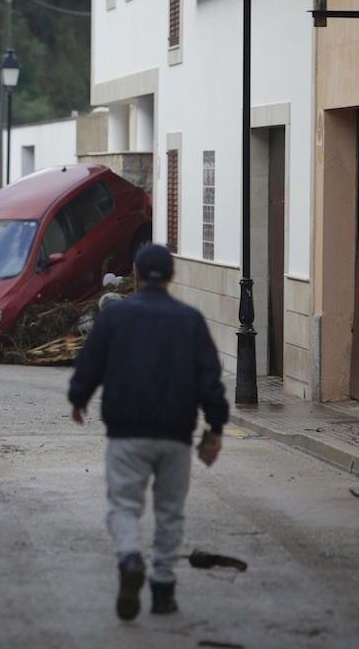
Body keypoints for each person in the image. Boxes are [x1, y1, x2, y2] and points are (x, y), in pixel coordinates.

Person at [68, 244, 228, 621]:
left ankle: (128, 557)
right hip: (174, 434)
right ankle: (162, 590)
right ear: (172, 276)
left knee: (124, 505)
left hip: (127, 432)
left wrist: (79, 397)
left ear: (136, 276)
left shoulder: (116, 316)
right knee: (170, 512)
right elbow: (210, 378)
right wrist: (215, 426)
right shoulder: (190, 320)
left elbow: (91, 360)